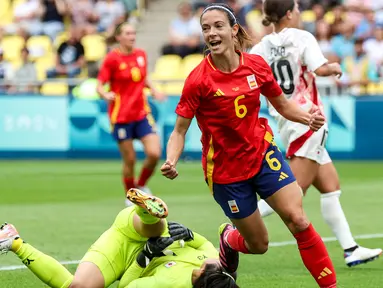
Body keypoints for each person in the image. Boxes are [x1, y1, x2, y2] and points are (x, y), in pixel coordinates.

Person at [161, 3, 337, 288]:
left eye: (218, 26)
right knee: (259, 244)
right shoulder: (198, 80)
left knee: (299, 220)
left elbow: (281, 105)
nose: (211, 33)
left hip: (262, 153)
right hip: (226, 171)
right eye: (206, 28)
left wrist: (307, 117)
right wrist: (171, 160)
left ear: (233, 30)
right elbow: (179, 131)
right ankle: (229, 238)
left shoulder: (256, 65)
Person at [250, 0, 382, 267]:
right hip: (310, 120)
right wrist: (333, 68)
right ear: (288, 13)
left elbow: (250, 80)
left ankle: (351, 249)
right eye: (297, 8)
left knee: (331, 188)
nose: (299, 12)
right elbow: (320, 68)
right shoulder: (302, 37)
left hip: (286, 121)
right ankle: (236, 224)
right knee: (291, 194)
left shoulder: (260, 47)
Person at [0, 189, 239, 288]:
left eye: (200, 270)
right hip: (136, 230)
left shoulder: (170, 284)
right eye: (209, 263)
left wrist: (144, 258)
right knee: (156, 230)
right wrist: (190, 234)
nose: (203, 262)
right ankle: (146, 211)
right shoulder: (218, 269)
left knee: (79, 287)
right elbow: (207, 244)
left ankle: (15, 241)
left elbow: (126, 286)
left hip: (124, 252)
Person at [97, 22, 166, 205]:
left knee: (154, 152)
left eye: (133, 33)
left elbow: (143, 79)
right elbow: (99, 84)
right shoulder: (112, 59)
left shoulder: (141, 55)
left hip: (142, 113)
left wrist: (154, 90)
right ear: (119, 37)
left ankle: (141, 186)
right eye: (127, 33)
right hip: (121, 117)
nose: (132, 36)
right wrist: (105, 94)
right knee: (130, 160)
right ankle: (131, 194)